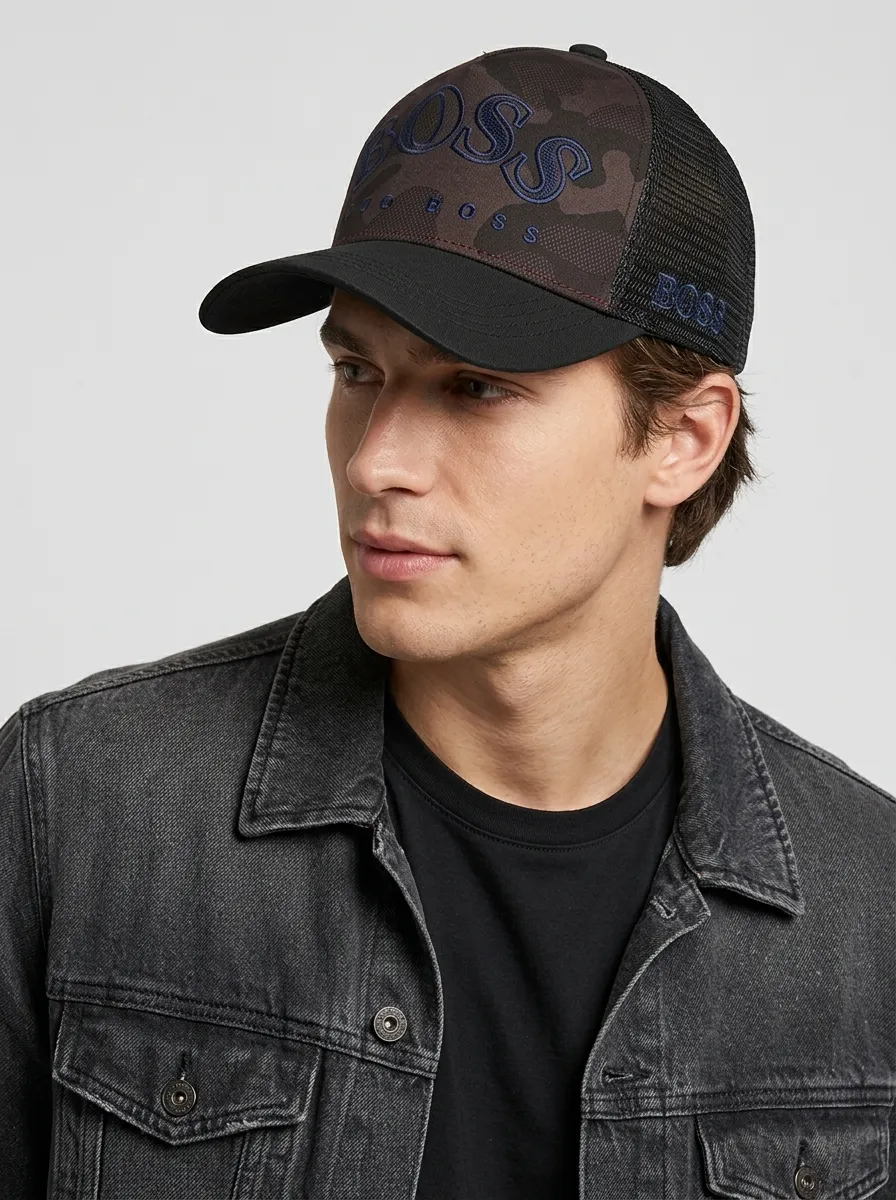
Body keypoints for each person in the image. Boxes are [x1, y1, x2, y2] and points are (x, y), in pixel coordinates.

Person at [2, 42, 894, 1200]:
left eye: (473, 387)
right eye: (356, 372)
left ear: (681, 438)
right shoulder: (81, 809)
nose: (375, 461)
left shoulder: (868, 918)